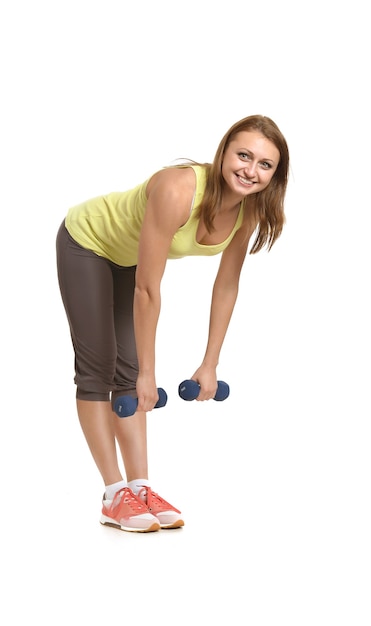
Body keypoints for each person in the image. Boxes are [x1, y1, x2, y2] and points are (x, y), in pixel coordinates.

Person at [56, 114, 290, 533]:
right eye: (243, 155)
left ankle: (141, 488)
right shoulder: (177, 188)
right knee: (101, 366)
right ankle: (113, 495)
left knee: (126, 371)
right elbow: (148, 290)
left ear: (275, 175)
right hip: (88, 242)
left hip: (126, 258)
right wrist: (150, 374)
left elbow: (227, 286)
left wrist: (209, 364)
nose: (250, 171)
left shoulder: (248, 211)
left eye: (264, 165)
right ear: (223, 153)